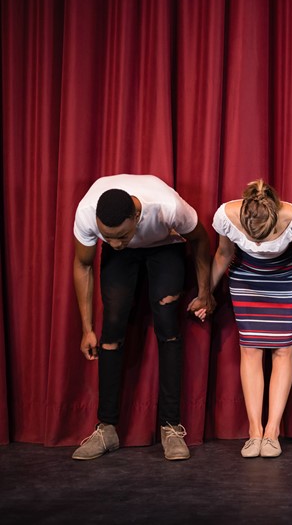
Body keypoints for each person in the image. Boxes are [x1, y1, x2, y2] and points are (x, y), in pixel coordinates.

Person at [72, 174, 214, 461]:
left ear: (137, 216)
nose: (115, 243)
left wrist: (205, 292)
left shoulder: (167, 206)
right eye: (107, 237)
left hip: (165, 245)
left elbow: (200, 240)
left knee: (167, 323)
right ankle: (106, 429)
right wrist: (87, 329)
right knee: (111, 328)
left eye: (121, 236)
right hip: (123, 260)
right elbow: (83, 264)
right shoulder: (87, 213)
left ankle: (171, 427)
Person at [200, 180, 292, 458]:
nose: (258, 242)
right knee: (250, 350)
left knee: (283, 350)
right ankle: (254, 432)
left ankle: (272, 432)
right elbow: (224, 253)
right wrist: (205, 294)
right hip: (246, 279)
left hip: (286, 278)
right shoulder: (226, 215)